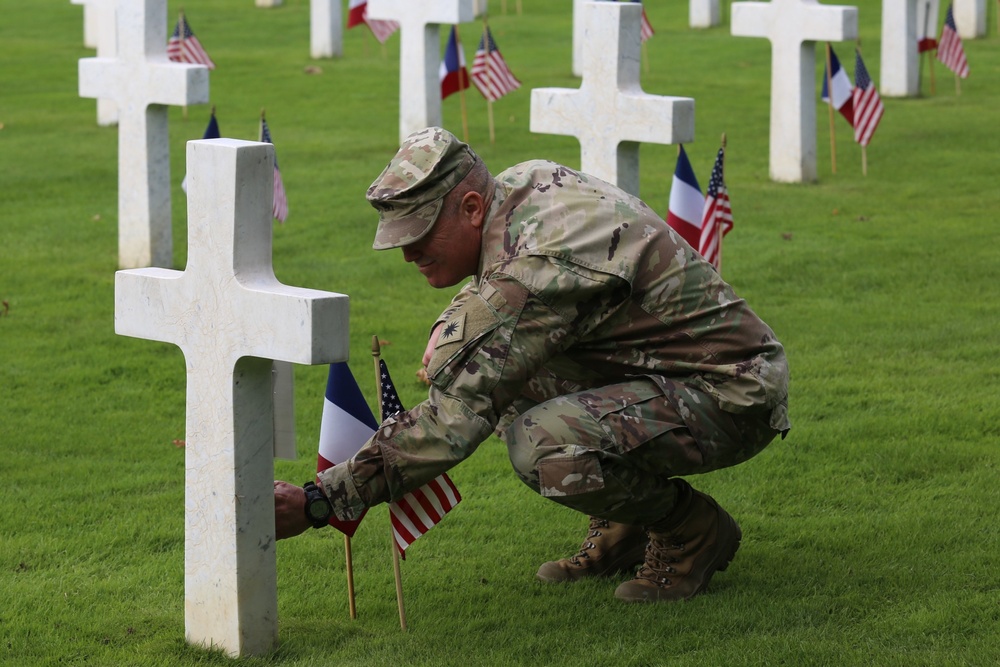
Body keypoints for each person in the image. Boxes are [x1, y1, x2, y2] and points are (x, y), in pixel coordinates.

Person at [274, 126, 790, 602]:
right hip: (666, 368)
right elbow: (500, 290)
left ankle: (690, 527)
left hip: (731, 391)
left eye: (420, 233)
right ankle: (624, 523)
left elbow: (452, 420)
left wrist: (321, 500)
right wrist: (456, 327)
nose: (408, 253)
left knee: (540, 443)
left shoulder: (536, 269)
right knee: (513, 379)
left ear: (472, 207)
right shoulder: (521, 185)